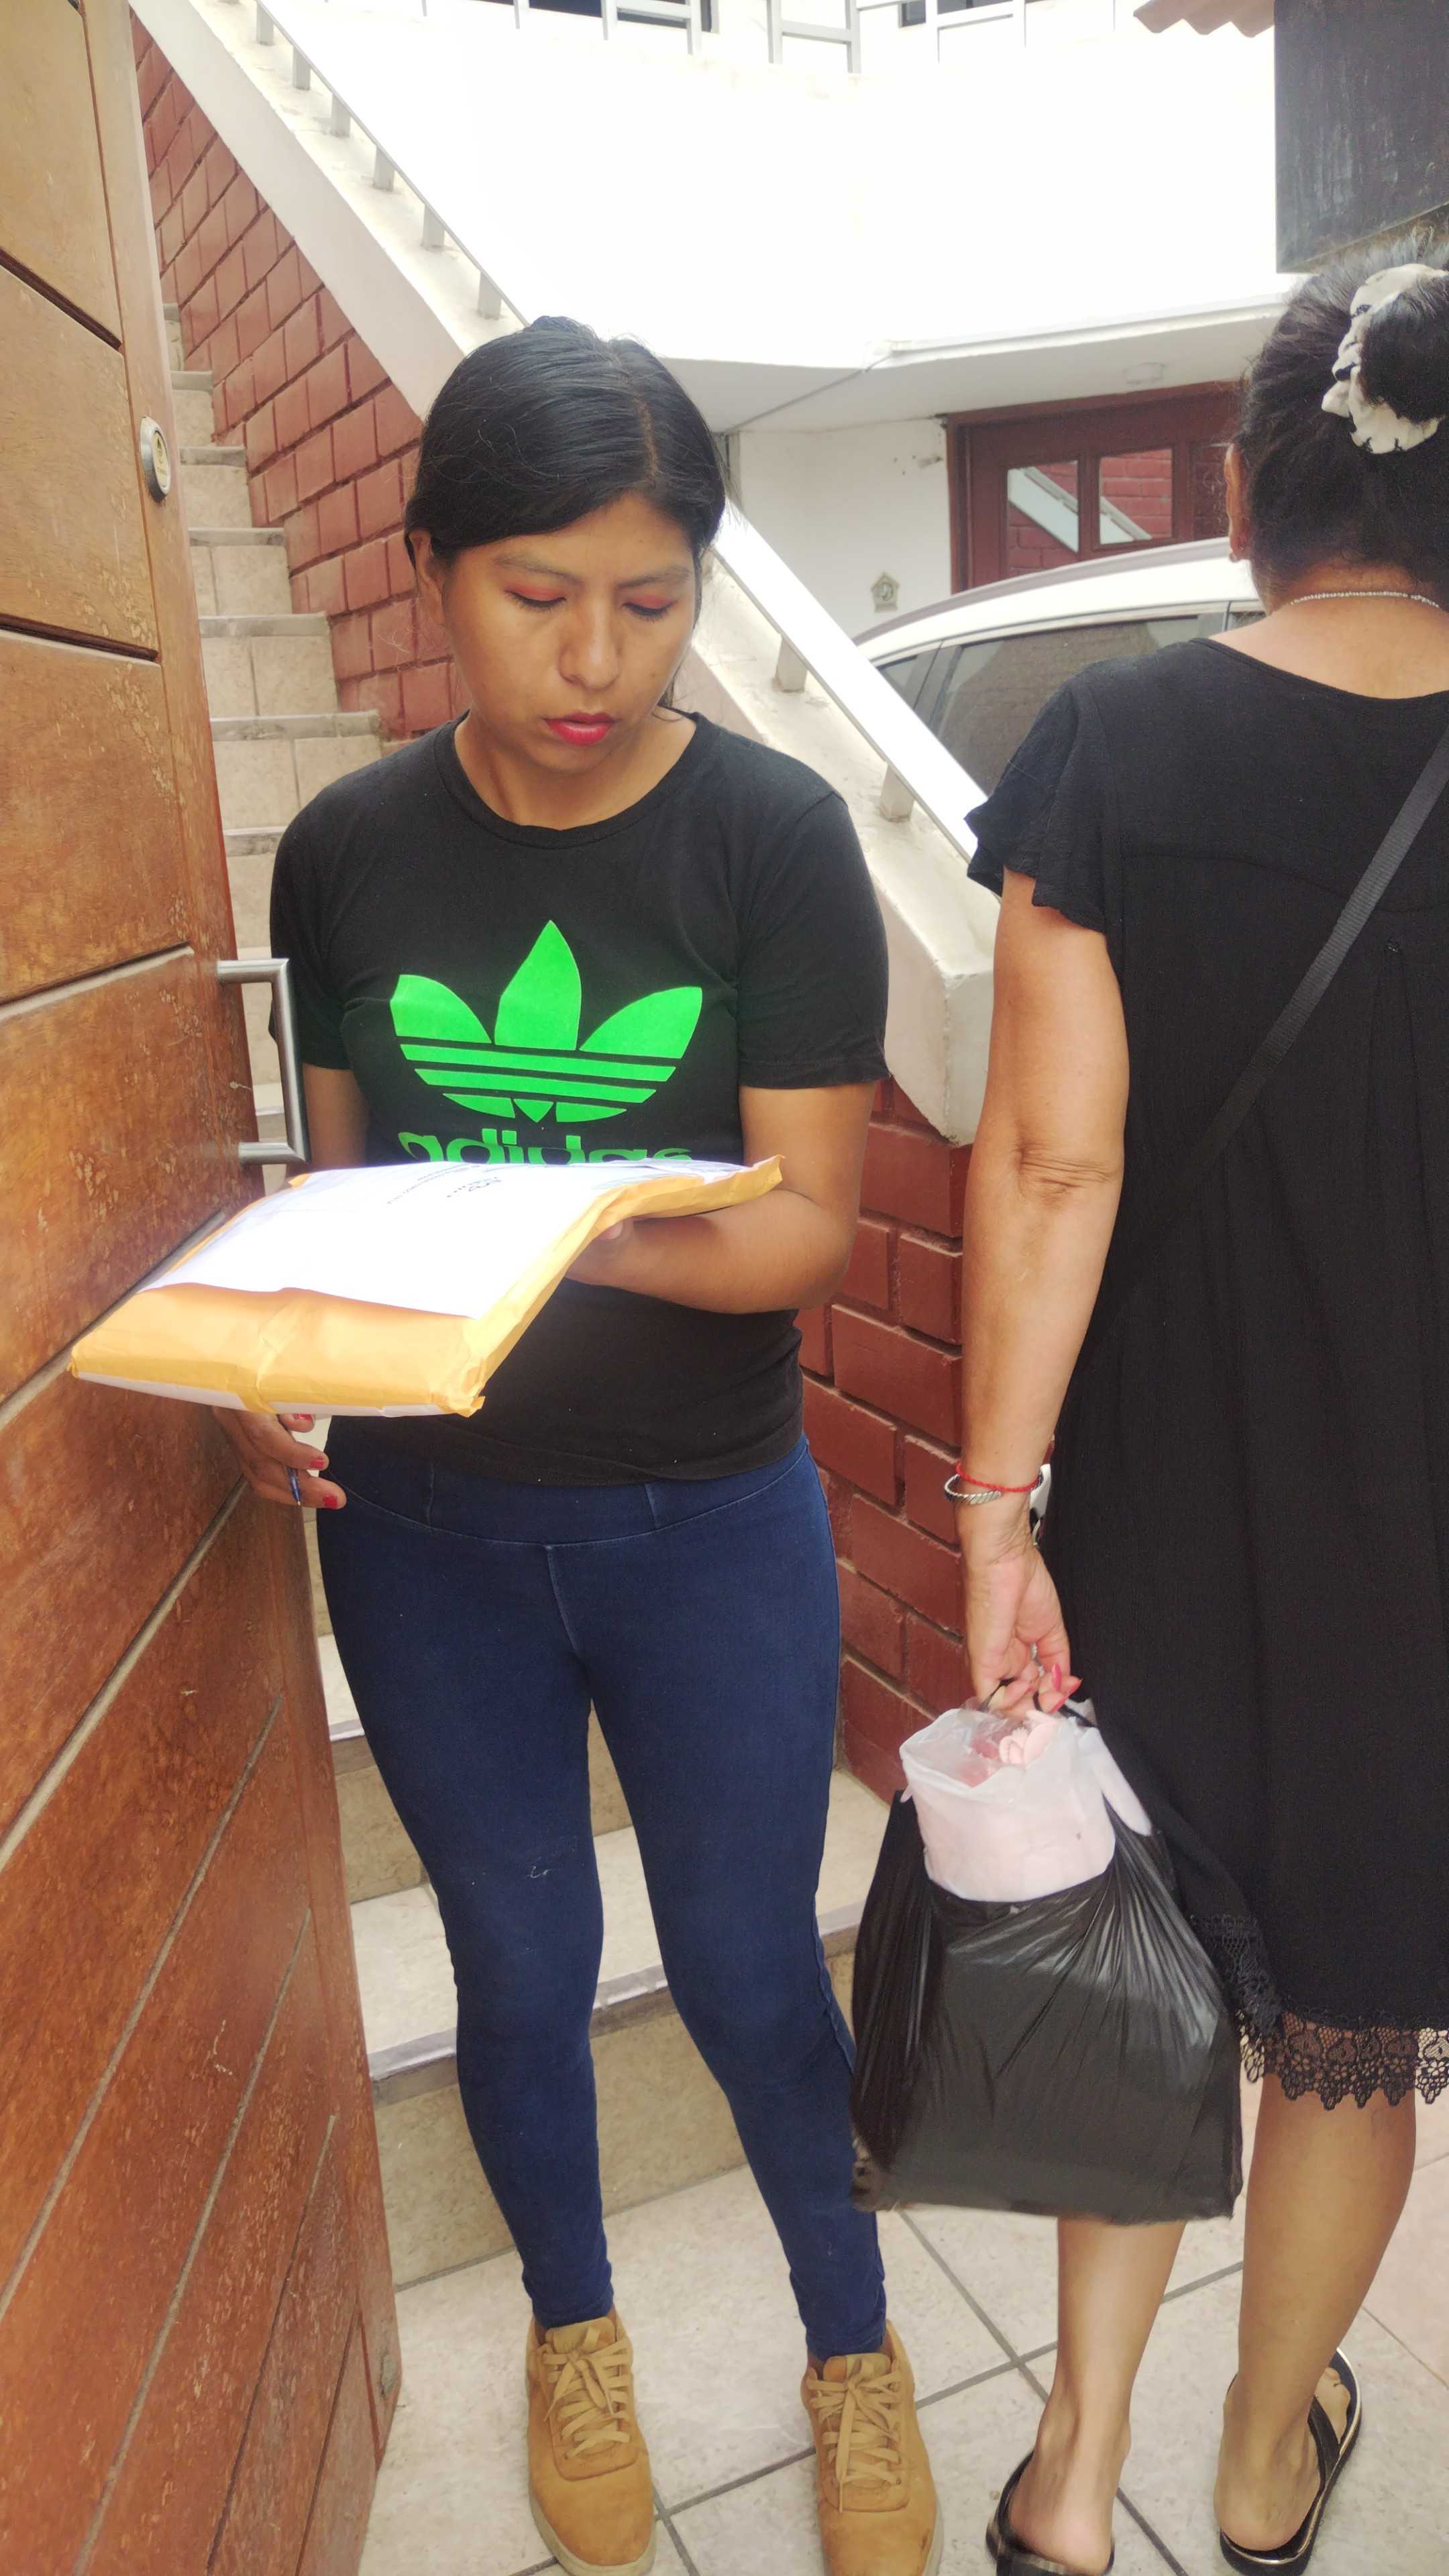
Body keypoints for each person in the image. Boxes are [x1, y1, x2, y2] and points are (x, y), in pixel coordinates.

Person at [215, 317, 941, 2576]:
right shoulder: (348, 852)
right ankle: (572, 2328)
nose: (598, 658)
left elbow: (802, 1230)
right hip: (426, 1531)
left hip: (705, 1524)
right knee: (520, 1974)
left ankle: (852, 2348)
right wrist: (281, 1364)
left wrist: (555, 1221)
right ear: (434, 565)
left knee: (746, 1967)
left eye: (651, 599)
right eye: (540, 595)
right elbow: (344, 1199)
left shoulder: (773, 839)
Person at [955, 246, 1449, 2576]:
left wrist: (995, 1510)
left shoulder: (1114, 743)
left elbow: (1052, 1167)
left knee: (1140, 1982)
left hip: (1159, 1499)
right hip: (1422, 1542)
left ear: (1252, 498)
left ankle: (1071, 2476)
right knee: (1352, 2023)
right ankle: (1264, 2472)